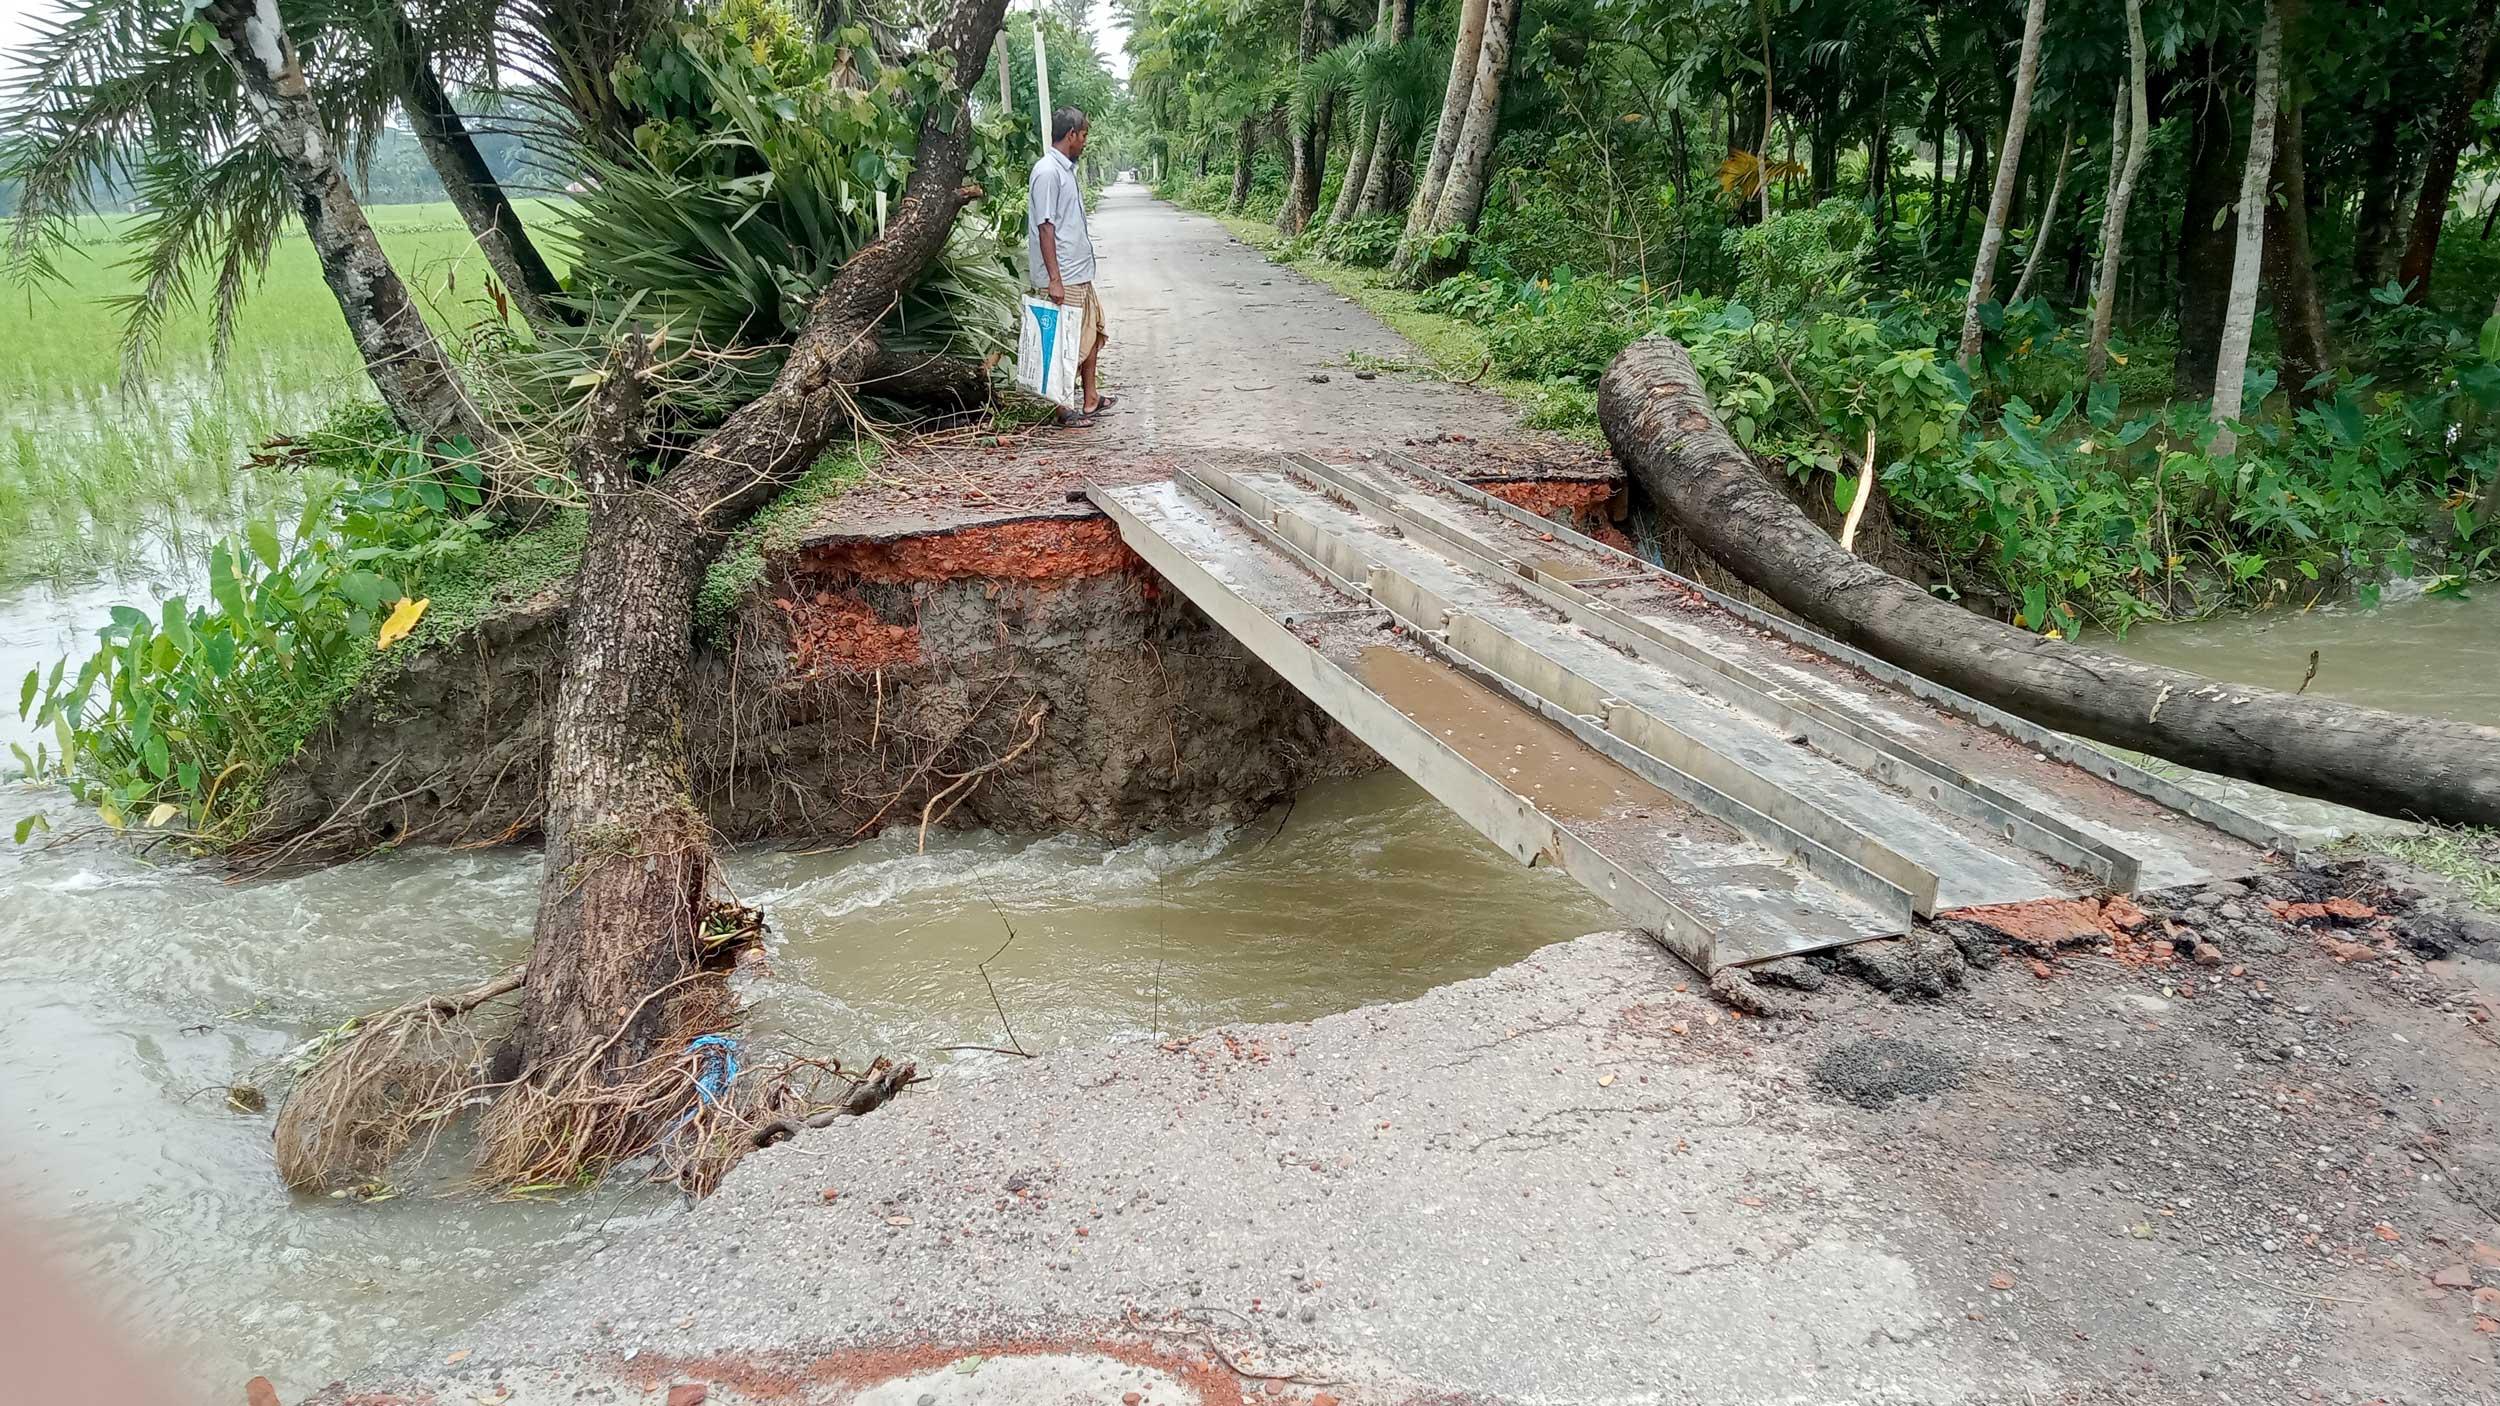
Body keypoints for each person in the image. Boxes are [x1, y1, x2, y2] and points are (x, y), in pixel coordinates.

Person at [1027, 105, 1114, 423]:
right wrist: (1054, 279)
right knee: (1065, 341)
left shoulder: (1064, 171)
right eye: (1084, 135)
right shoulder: (1048, 172)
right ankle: (1062, 409)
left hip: (1079, 273)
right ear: (1071, 135)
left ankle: (1090, 397)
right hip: (1063, 274)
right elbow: (1045, 226)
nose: (1085, 142)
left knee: (1092, 332)